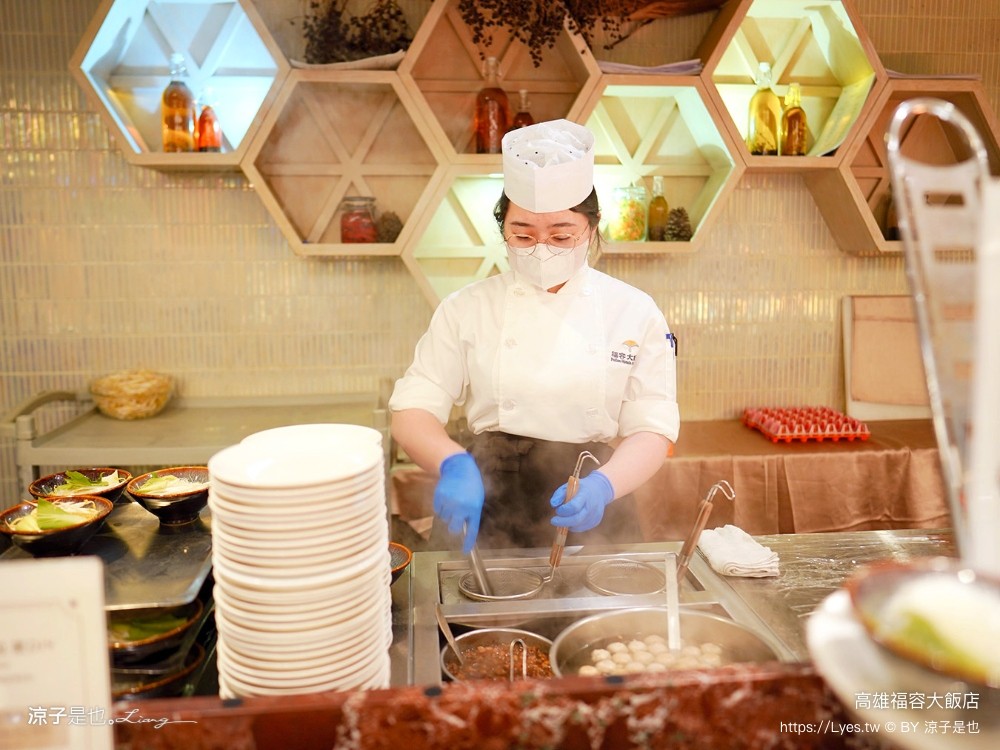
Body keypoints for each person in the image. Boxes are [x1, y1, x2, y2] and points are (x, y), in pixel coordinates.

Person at [389, 119, 679, 553]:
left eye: (561, 235)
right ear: (502, 229)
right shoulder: (466, 308)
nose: (541, 249)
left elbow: (653, 430)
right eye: (522, 234)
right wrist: (452, 464)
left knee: (602, 621)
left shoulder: (634, 312)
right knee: (471, 617)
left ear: (592, 229)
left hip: (588, 495)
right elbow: (412, 411)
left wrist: (604, 485)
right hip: (487, 495)